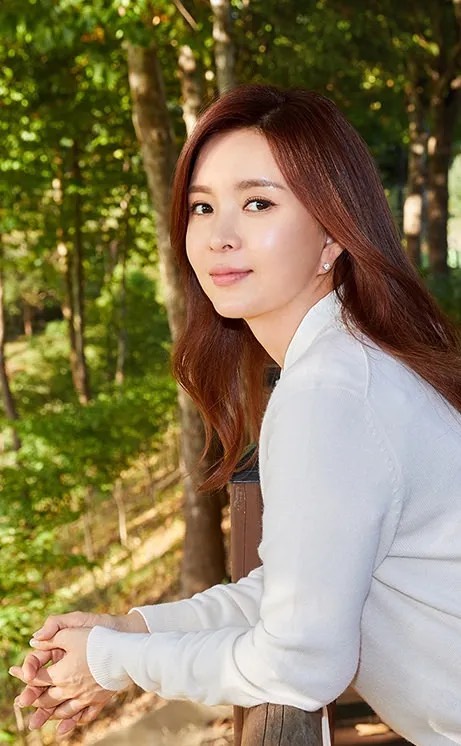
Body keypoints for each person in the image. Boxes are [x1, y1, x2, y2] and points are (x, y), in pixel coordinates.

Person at [9, 84, 461, 746]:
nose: (219, 236)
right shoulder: (345, 364)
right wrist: (129, 631)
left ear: (332, 235)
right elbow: (291, 592)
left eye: (257, 203)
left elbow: (300, 664)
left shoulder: (330, 394)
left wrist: (114, 661)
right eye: (202, 207)